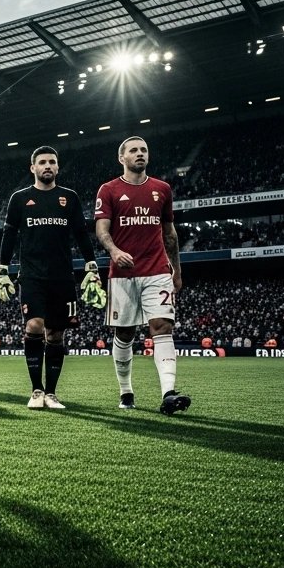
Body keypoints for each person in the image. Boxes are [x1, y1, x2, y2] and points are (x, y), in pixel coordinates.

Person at [0, 146, 102, 409]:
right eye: (42, 162)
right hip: (31, 275)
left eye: (52, 162)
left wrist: (92, 265)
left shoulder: (69, 197)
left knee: (55, 335)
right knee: (34, 326)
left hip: (63, 276)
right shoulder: (20, 198)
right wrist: (2, 268)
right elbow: (9, 235)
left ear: (57, 167)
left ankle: (51, 393)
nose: (47, 166)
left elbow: (81, 234)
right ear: (33, 168)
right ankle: (36, 390)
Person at [94, 136, 190, 415]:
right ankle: (126, 392)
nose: (140, 154)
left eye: (144, 150)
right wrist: (114, 251)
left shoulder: (162, 189)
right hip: (122, 274)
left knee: (162, 327)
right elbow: (102, 230)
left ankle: (168, 394)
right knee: (124, 333)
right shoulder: (109, 190)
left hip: (157, 271)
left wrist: (176, 270)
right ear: (121, 158)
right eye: (133, 150)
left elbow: (169, 233)